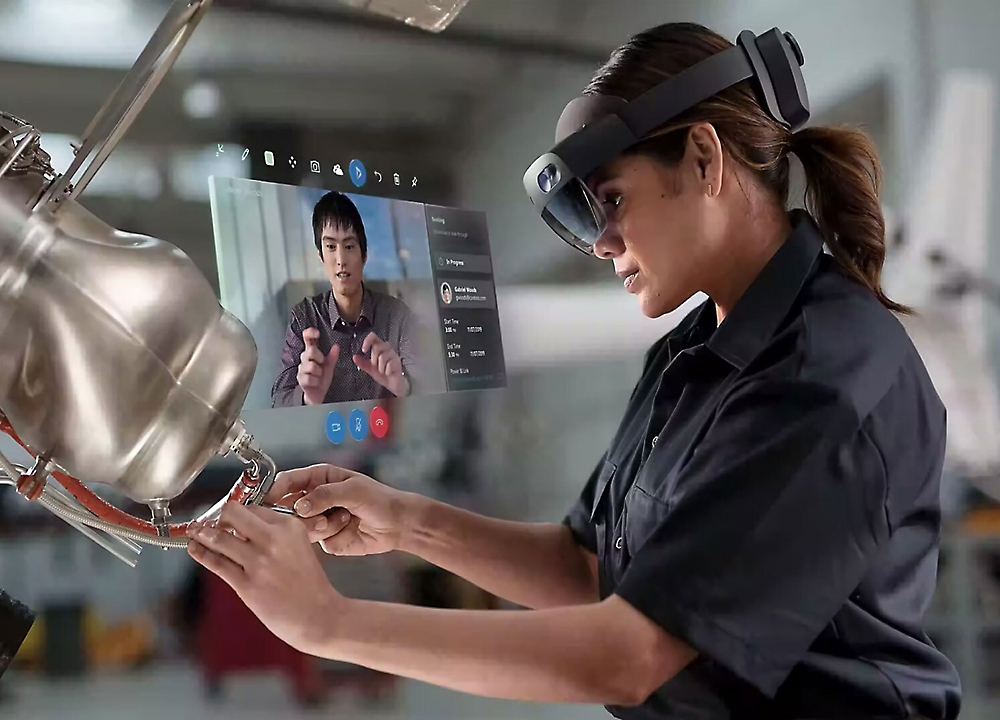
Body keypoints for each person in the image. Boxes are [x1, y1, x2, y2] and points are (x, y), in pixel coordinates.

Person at [188, 23, 961, 720]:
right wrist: (404, 520)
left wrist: (331, 625)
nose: (600, 242)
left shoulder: (824, 374)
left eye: (613, 199)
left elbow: (633, 655)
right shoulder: (690, 353)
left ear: (703, 159)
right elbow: (589, 567)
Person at [271, 191, 417, 406]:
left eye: (349, 246)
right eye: (330, 247)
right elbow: (277, 400)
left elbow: (430, 385)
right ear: (321, 255)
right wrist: (306, 398)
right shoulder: (303, 319)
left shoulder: (398, 315)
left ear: (364, 255)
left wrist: (404, 386)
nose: (341, 260)